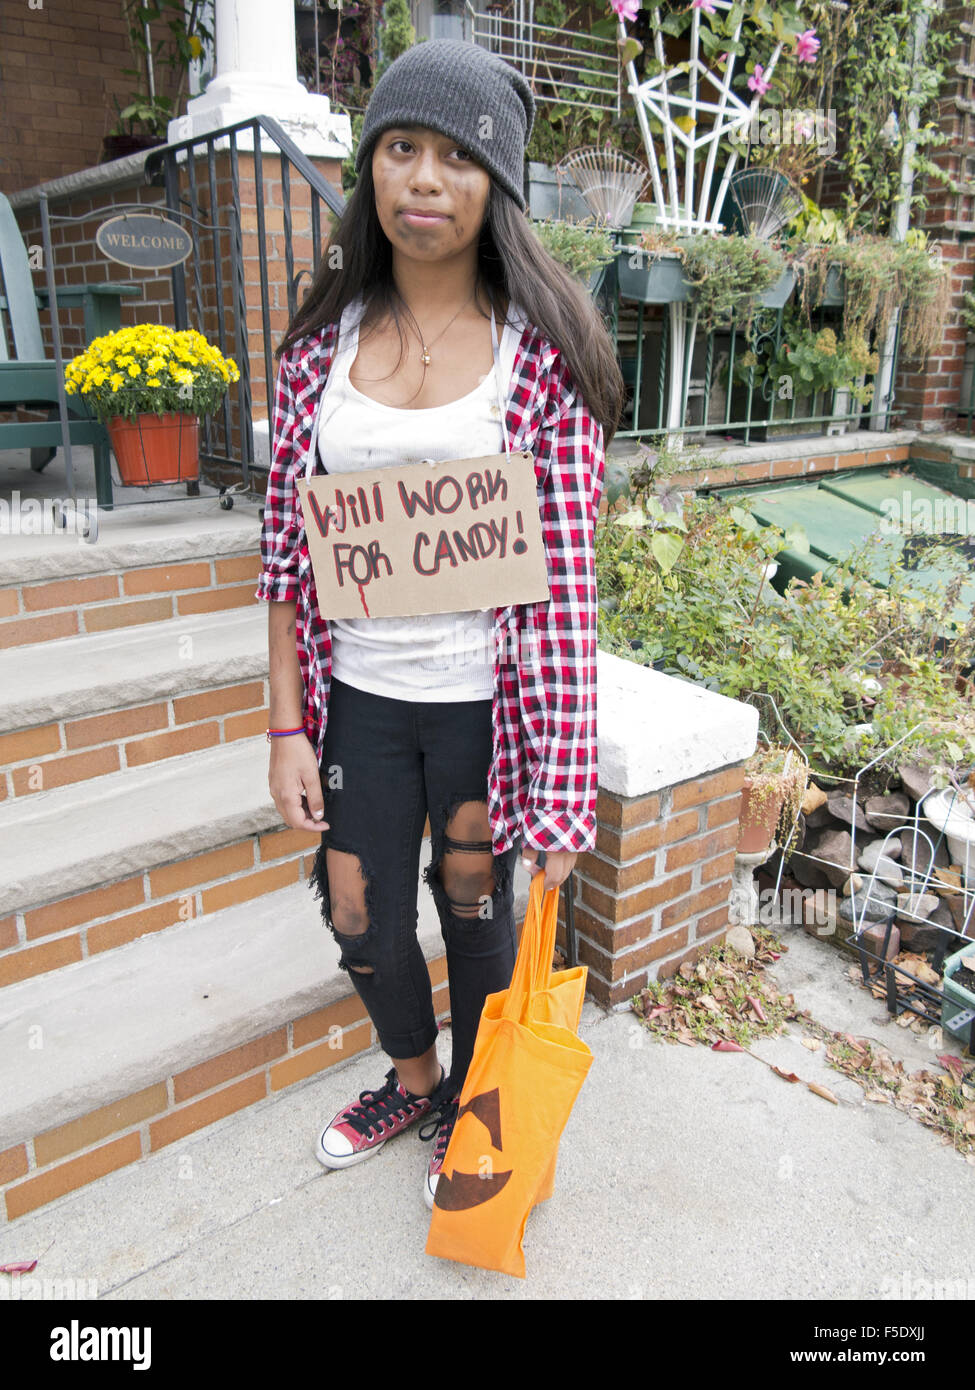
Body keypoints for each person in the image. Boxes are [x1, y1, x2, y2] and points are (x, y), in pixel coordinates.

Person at [255, 38, 624, 1210]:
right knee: (356, 906)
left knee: (476, 910)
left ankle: (478, 1105)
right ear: (370, 167)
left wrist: (564, 791)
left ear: (497, 186)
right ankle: (412, 1076)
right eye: (402, 148)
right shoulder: (316, 355)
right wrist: (284, 728)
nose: (426, 177)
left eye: (459, 157)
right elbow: (285, 560)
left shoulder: (542, 360)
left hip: (485, 704)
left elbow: (566, 590)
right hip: (359, 696)